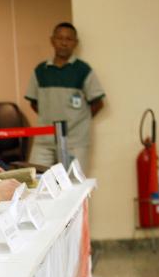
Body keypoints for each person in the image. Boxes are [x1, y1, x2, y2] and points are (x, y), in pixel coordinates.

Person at [25, 22, 105, 173]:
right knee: (35, 181)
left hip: (75, 142)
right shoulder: (40, 70)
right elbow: (34, 104)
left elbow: (98, 103)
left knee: (75, 186)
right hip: (44, 141)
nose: (63, 43)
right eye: (60, 38)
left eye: (69, 39)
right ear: (52, 40)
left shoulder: (83, 70)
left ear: (75, 43)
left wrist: (77, 120)